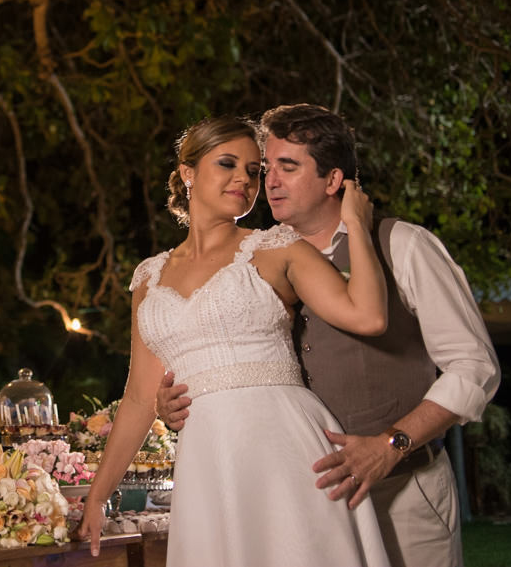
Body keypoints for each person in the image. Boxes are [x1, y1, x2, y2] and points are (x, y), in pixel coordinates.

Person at [157, 104, 500, 567]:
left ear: (333, 180)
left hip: (402, 489)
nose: (269, 181)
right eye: (266, 167)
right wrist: (174, 399)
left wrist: (390, 445)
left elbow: (473, 367)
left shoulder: (402, 245)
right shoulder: (258, 258)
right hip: (303, 498)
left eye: (288, 167)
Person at [79, 116, 391, 566]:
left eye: (253, 170)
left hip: (284, 442)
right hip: (208, 456)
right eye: (227, 164)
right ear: (188, 173)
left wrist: (356, 224)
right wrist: (97, 496)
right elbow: (137, 398)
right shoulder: (149, 278)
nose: (244, 179)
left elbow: (369, 315)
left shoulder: (277, 248)